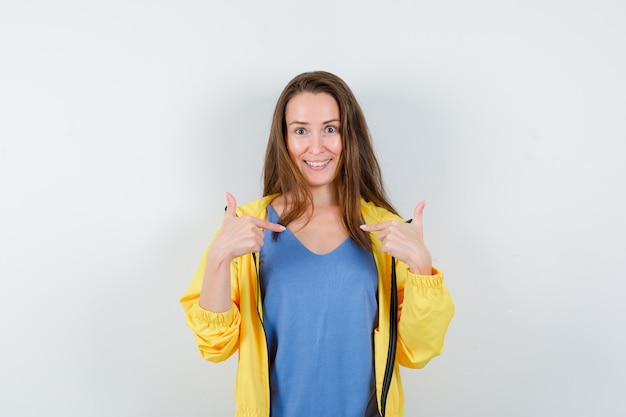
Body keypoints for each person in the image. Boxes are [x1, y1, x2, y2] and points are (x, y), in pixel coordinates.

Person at [180, 71, 454, 417]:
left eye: (330, 128)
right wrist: (219, 256)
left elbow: (417, 350)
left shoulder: (385, 231)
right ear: (284, 138)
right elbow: (214, 347)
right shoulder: (248, 225)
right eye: (300, 130)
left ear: (348, 135)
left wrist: (421, 267)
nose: (316, 146)